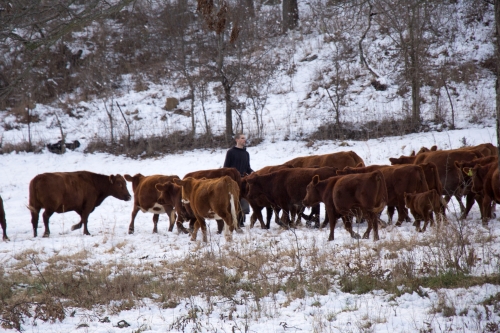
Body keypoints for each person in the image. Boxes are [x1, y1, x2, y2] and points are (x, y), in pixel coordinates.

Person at [223, 133, 254, 227]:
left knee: (244, 199)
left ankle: (241, 220)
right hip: (233, 181)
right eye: (242, 138)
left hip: (243, 180)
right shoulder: (231, 152)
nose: (244, 140)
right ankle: (233, 221)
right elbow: (226, 167)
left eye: (245, 138)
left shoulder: (246, 153)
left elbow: (247, 167)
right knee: (234, 200)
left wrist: (253, 173)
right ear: (237, 140)